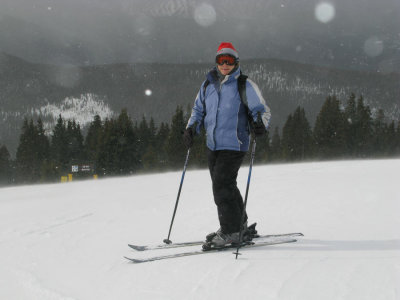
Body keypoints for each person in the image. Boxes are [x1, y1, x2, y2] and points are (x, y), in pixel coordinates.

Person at [183, 42, 271, 247]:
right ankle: (240, 223)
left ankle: (231, 231)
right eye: (220, 60)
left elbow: (261, 110)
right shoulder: (208, 85)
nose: (224, 64)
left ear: (236, 62)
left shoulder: (244, 84)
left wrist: (260, 125)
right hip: (213, 144)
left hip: (234, 143)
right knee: (226, 185)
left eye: (229, 60)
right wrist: (190, 129)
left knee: (221, 185)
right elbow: (198, 111)